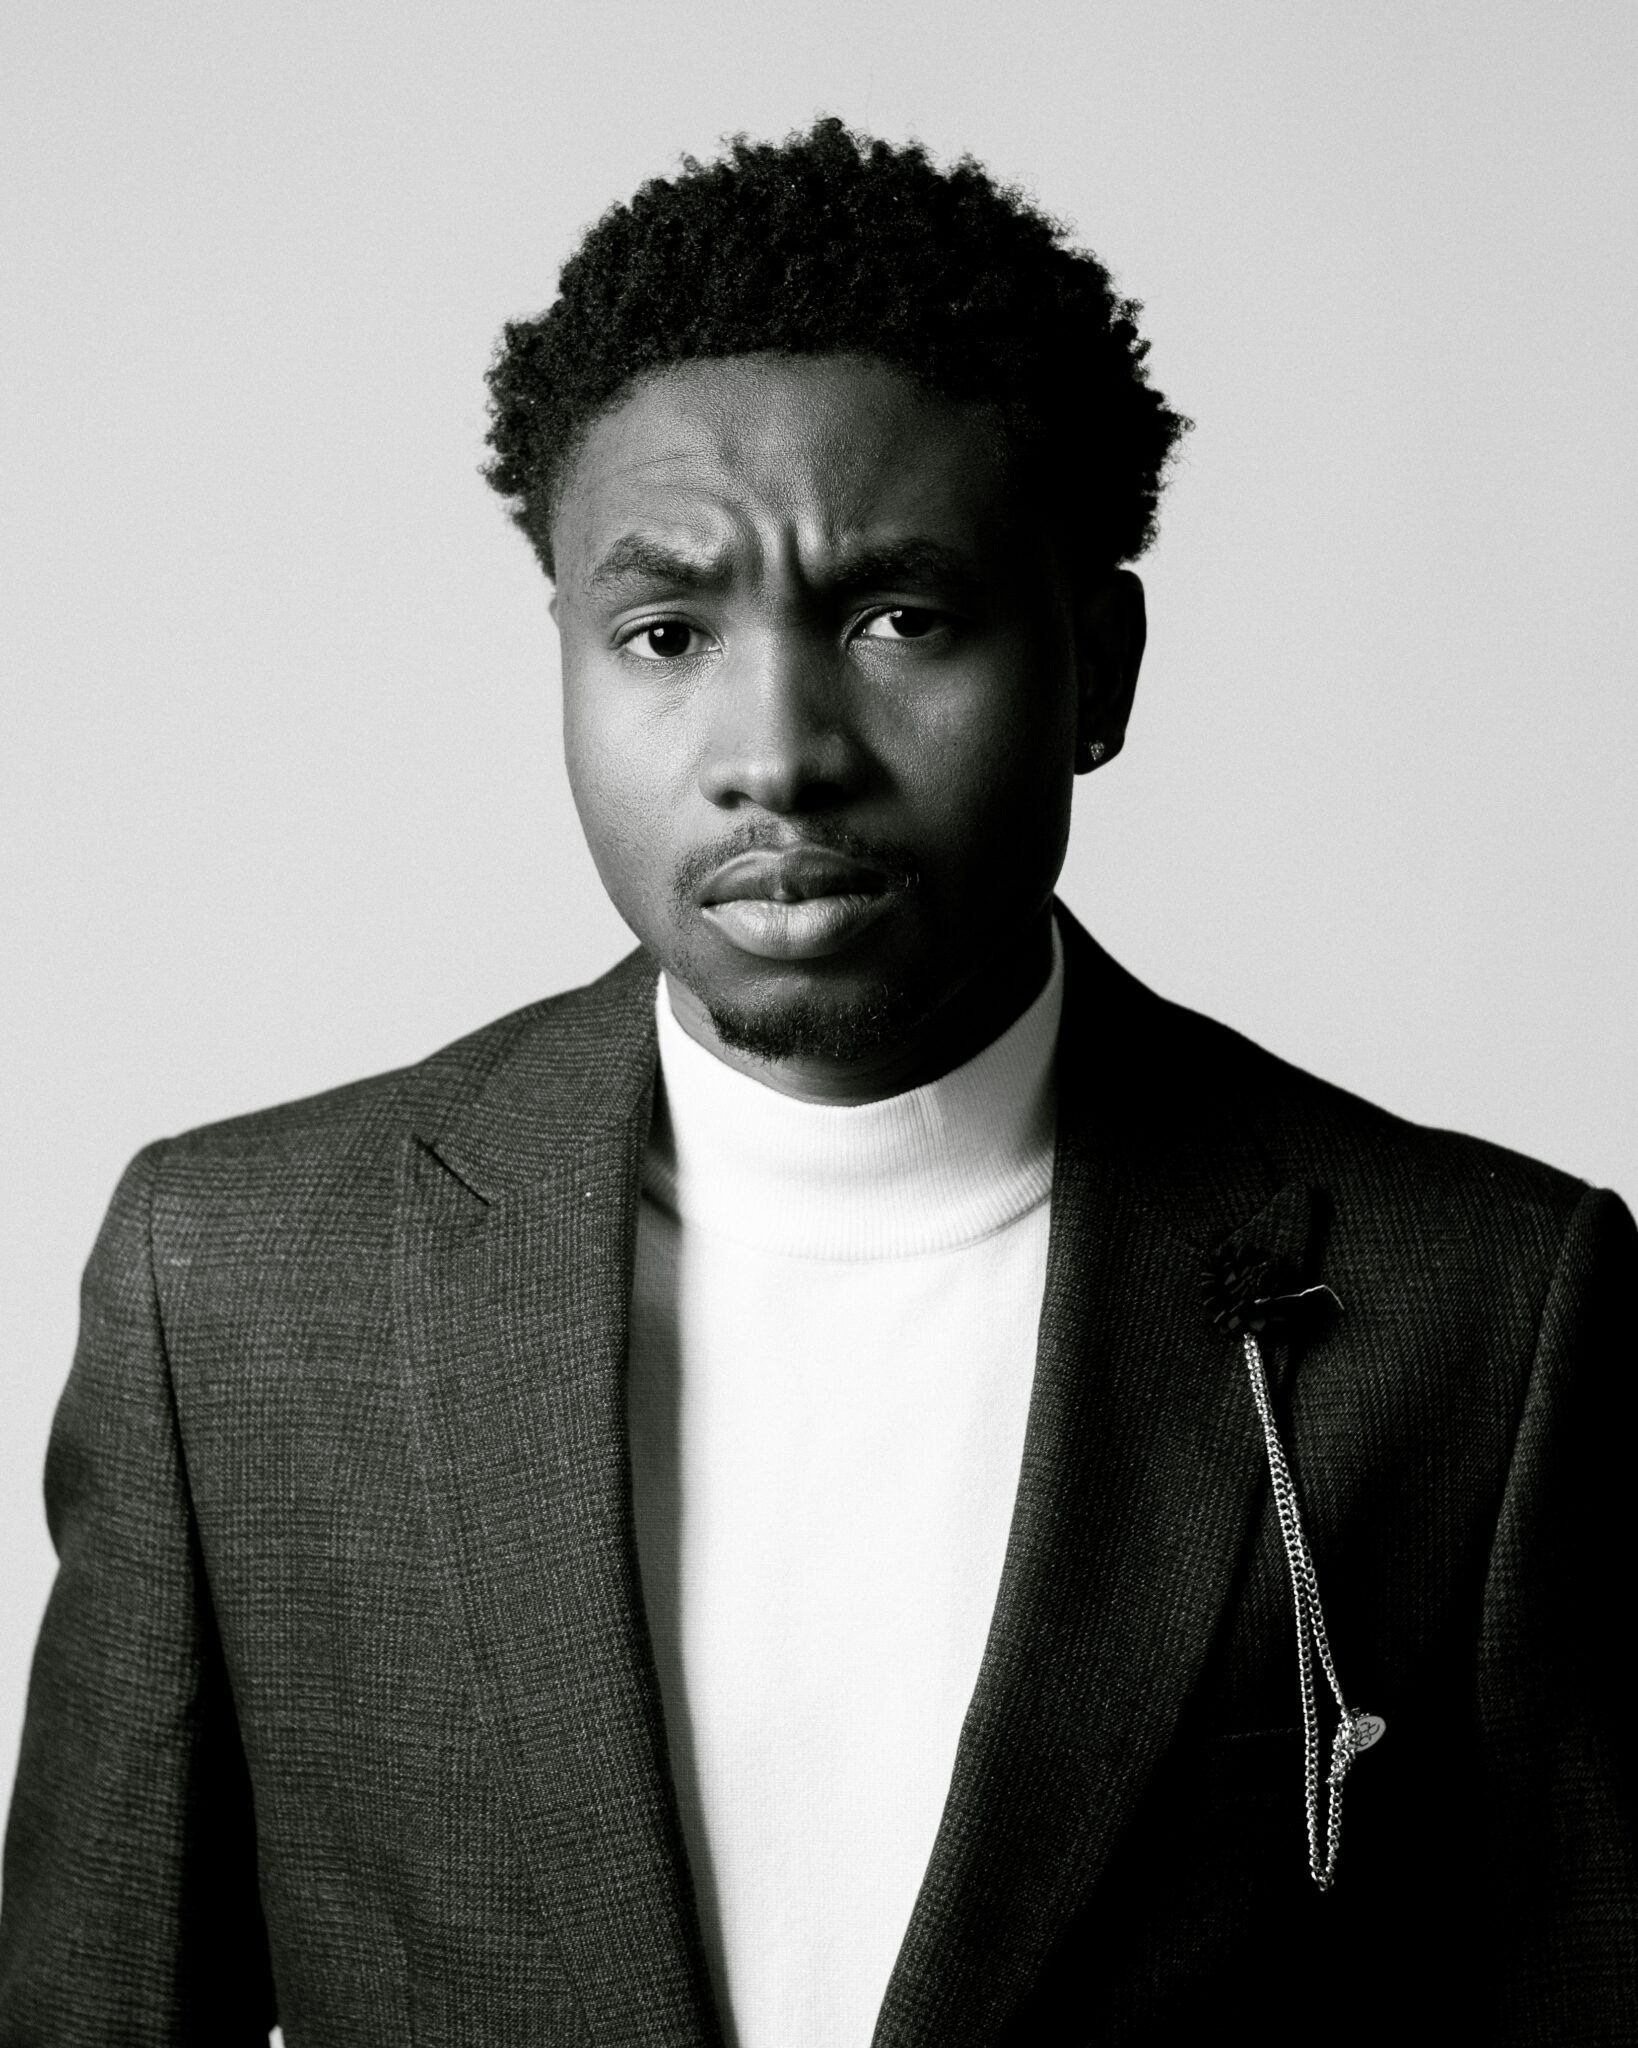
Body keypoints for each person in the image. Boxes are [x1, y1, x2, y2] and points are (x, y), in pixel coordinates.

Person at [1, 117, 1632, 2048]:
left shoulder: (1485, 1311)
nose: (776, 750)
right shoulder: (240, 1289)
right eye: (666, 633)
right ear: (566, 662)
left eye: (897, 618)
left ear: (1097, 667)